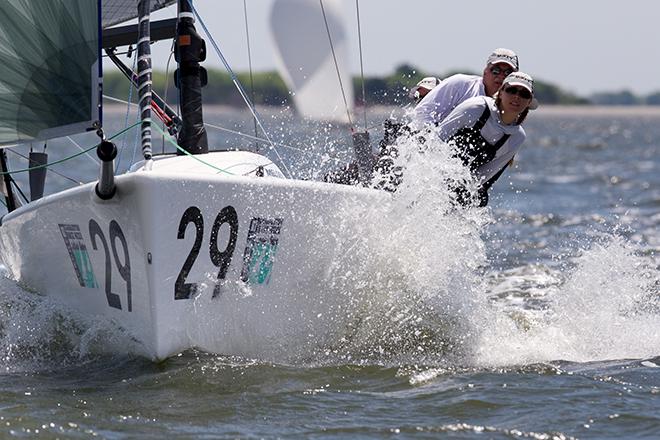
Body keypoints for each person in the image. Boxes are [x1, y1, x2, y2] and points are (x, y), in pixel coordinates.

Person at [435, 71, 537, 207]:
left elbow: (481, 178)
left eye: (524, 94)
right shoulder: (476, 107)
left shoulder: (517, 137)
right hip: (431, 168)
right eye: (512, 90)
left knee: (479, 198)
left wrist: (456, 191)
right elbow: (436, 139)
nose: (517, 97)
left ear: (529, 101)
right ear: (501, 93)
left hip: (457, 183)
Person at [412, 48, 519, 128]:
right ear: (485, 71)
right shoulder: (459, 83)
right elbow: (422, 112)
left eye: (508, 73)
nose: (501, 76)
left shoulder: (514, 110)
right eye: (495, 70)